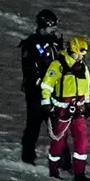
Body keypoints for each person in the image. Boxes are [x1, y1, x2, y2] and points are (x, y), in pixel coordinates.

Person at [40, 35, 90, 181]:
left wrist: (87, 103)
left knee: (82, 140)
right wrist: (46, 104)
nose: (80, 57)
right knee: (58, 142)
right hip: (61, 111)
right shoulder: (58, 65)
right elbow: (46, 85)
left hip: (77, 109)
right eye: (78, 54)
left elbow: (86, 87)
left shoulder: (83, 67)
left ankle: (79, 173)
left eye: (82, 55)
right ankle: (53, 171)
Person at [19, 9, 64, 165]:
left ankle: (63, 160)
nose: (55, 30)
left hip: (54, 90)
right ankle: (27, 155)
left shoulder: (56, 43)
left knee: (58, 126)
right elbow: (29, 67)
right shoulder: (32, 44)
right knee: (34, 123)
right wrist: (38, 83)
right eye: (52, 26)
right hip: (36, 92)